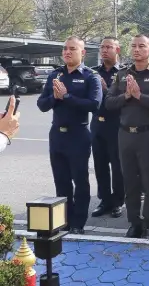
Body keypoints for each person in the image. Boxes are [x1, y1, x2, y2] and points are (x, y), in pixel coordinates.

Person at [106, 35, 149, 239]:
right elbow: (108, 102)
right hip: (125, 134)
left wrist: (139, 96)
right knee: (130, 181)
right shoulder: (122, 74)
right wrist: (126, 95)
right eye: (134, 46)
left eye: (141, 46)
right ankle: (134, 222)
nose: (136, 49)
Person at [37, 36, 102, 234]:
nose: (67, 52)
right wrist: (55, 98)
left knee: (80, 181)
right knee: (61, 181)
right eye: (65, 48)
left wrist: (66, 96)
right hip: (57, 135)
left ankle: (78, 223)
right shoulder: (55, 75)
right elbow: (42, 104)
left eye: (72, 49)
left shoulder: (90, 76)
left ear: (83, 53)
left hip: (78, 135)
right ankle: (63, 221)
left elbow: (94, 104)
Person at [90, 37, 125, 219]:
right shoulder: (93, 72)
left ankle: (118, 201)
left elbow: (125, 98)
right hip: (98, 124)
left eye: (108, 47)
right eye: (102, 47)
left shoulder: (125, 72)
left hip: (116, 124)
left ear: (117, 50)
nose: (104, 50)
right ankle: (104, 200)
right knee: (100, 165)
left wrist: (107, 89)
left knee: (118, 166)